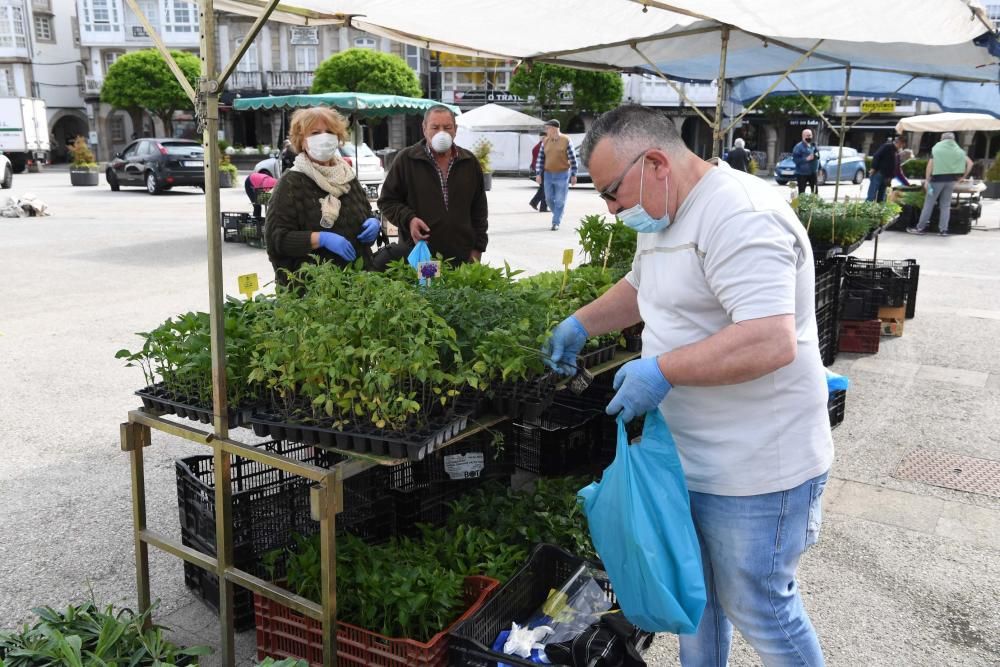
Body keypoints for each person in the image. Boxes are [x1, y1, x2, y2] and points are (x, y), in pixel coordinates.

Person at [544, 105, 831, 666]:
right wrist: (582, 322)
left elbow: (770, 338)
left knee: (760, 607)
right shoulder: (663, 209)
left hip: (755, 466)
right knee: (696, 603)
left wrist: (664, 370)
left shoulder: (740, 214)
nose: (609, 209)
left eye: (610, 193)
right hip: (686, 458)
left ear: (654, 162)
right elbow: (640, 284)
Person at [264, 107, 381, 284]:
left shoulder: (347, 175)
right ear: (302, 141)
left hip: (358, 282)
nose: (324, 137)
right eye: (315, 133)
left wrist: (373, 223)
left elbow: (364, 211)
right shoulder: (291, 183)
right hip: (313, 291)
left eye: (330, 131)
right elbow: (276, 239)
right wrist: (321, 239)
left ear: (338, 138)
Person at [378, 105, 488, 264]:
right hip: (421, 255)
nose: (441, 133)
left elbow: (479, 211)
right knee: (428, 289)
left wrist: (478, 248)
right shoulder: (406, 160)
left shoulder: (469, 162)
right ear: (424, 129)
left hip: (462, 258)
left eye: (447, 127)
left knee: (460, 290)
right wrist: (409, 219)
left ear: (455, 130)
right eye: (435, 127)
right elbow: (387, 201)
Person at [907, 131, 973, 236]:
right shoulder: (959, 151)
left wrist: (927, 180)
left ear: (942, 139)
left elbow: (930, 165)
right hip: (951, 180)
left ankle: (920, 228)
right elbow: (970, 163)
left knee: (928, 204)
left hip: (936, 180)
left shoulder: (937, 149)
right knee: (945, 206)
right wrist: (963, 177)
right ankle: (943, 230)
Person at [535, 119, 579, 230]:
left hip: (562, 174)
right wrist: (538, 174)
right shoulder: (545, 141)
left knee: (560, 200)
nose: (546, 130)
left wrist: (574, 174)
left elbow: (573, 159)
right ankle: (559, 212)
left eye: (548, 128)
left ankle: (556, 222)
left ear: (554, 128)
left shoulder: (566, 140)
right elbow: (540, 158)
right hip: (548, 174)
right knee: (548, 199)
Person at [867, 135, 909, 202]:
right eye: (903, 144)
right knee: (871, 196)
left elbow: (898, 170)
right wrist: (873, 168)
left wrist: (906, 183)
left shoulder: (896, 152)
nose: (902, 146)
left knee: (882, 198)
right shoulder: (887, 146)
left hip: (886, 178)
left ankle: (879, 211)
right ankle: (868, 210)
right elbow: (876, 156)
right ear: (900, 142)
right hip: (879, 173)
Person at [792, 128, 820, 194]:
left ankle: (814, 204)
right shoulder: (798, 147)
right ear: (803, 136)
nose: (809, 137)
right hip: (802, 174)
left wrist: (820, 168)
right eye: (807, 136)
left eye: (810, 135)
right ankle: (801, 204)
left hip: (813, 173)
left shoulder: (813, 145)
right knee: (802, 193)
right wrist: (806, 159)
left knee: (815, 192)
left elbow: (818, 158)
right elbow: (795, 160)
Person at [528, 130, 548, 212]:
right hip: (542, 169)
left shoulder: (537, 146)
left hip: (540, 169)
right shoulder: (541, 147)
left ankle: (534, 202)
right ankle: (542, 207)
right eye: (543, 138)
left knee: (543, 188)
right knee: (545, 188)